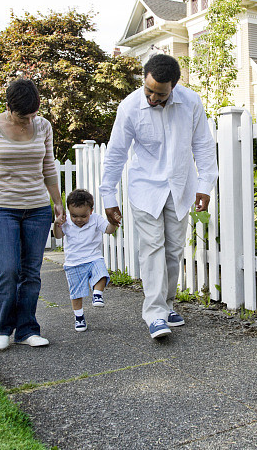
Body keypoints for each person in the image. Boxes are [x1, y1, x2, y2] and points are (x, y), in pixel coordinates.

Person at [99, 54, 218, 339]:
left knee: (173, 250)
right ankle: (154, 315)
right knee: (152, 247)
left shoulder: (191, 102)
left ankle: (166, 304)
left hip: (180, 187)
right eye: (148, 90)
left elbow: (203, 144)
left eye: (160, 94)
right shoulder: (130, 107)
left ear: (173, 87)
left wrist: (205, 185)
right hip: (145, 189)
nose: (152, 98)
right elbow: (115, 154)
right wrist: (108, 197)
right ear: (144, 80)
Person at [0, 78, 65, 350]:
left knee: (31, 272)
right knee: (8, 268)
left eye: (33, 114)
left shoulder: (43, 126)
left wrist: (57, 203)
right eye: (24, 116)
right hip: (2, 208)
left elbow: (48, 166)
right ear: (9, 107)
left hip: (37, 209)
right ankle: (2, 327)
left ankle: (27, 329)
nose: (29, 121)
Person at [54, 188, 118, 332]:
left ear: (91, 211)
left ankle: (97, 295)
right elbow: (58, 236)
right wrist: (56, 224)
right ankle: (79, 317)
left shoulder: (96, 219)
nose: (78, 220)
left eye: (83, 216)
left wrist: (113, 222)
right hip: (73, 262)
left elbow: (108, 230)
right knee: (76, 293)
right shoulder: (66, 221)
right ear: (69, 212)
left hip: (93, 257)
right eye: (74, 216)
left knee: (101, 274)